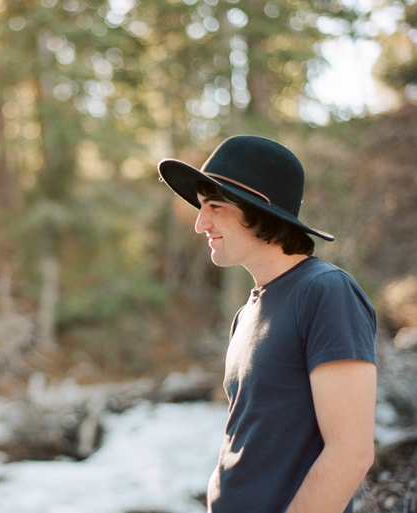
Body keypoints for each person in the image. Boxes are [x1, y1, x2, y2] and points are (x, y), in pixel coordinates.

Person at [158, 135, 377, 513]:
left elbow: (351, 453)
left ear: (257, 208)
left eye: (214, 205)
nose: (200, 223)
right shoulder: (247, 313)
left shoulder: (325, 292)